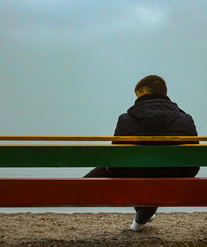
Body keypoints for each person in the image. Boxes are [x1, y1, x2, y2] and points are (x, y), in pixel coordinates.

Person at [84, 75, 199, 231]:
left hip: (134, 178)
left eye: (137, 95)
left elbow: (115, 163)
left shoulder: (125, 120)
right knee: (153, 173)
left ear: (144, 91)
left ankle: (71, 190)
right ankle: (142, 216)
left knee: (108, 168)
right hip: (173, 177)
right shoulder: (186, 120)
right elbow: (193, 165)